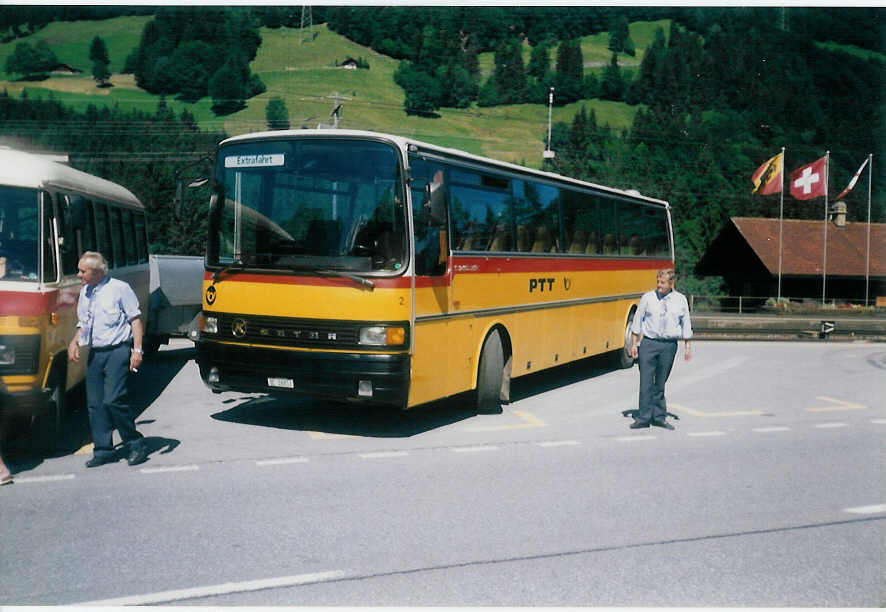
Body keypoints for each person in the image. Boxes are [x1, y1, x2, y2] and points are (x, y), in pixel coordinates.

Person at [67, 251, 148, 467]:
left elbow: (135, 321)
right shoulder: (85, 292)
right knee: (95, 404)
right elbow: (84, 323)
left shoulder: (119, 289)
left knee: (114, 399)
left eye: (82, 271)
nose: (78, 274)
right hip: (96, 352)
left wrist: (137, 351)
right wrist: (74, 341)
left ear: (96, 272)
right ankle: (103, 450)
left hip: (118, 350)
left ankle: (134, 442)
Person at [628, 268, 693, 430]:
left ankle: (659, 417)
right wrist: (634, 344)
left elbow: (686, 323)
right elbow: (638, 320)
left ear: (671, 283)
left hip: (669, 346)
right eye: (657, 282)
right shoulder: (648, 298)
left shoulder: (680, 300)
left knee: (660, 382)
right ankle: (643, 418)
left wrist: (687, 347)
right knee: (646, 382)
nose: (658, 285)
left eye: (662, 283)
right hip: (649, 344)